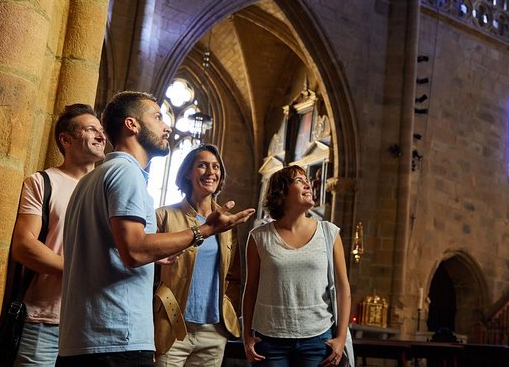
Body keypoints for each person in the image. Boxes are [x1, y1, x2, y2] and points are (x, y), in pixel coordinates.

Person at [57, 91, 254, 366]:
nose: (167, 126)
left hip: (81, 341)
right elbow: (134, 251)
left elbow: (112, 249)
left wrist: (154, 256)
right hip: (116, 339)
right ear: (132, 125)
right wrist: (204, 231)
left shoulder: (91, 178)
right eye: (158, 117)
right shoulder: (128, 174)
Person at [11, 103, 106, 366]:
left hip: (94, 325)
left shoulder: (107, 191)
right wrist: (79, 269)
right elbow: (23, 246)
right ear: (66, 139)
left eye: (101, 130)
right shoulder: (42, 182)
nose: (101, 136)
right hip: (44, 321)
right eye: (91, 130)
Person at [242, 165, 352, 367]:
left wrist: (341, 338)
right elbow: (250, 290)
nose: (308, 184)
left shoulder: (329, 233)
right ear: (281, 192)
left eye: (306, 179)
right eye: (299, 180)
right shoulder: (259, 237)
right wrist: (246, 336)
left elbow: (343, 289)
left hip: (317, 339)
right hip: (269, 339)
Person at [154, 144, 242, 366]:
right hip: (171, 326)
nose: (210, 172)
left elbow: (233, 276)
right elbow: (141, 265)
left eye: (216, 167)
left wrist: (226, 309)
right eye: (202, 165)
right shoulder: (163, 216)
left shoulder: (228, 224)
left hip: (213, 332)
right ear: (187, 172)